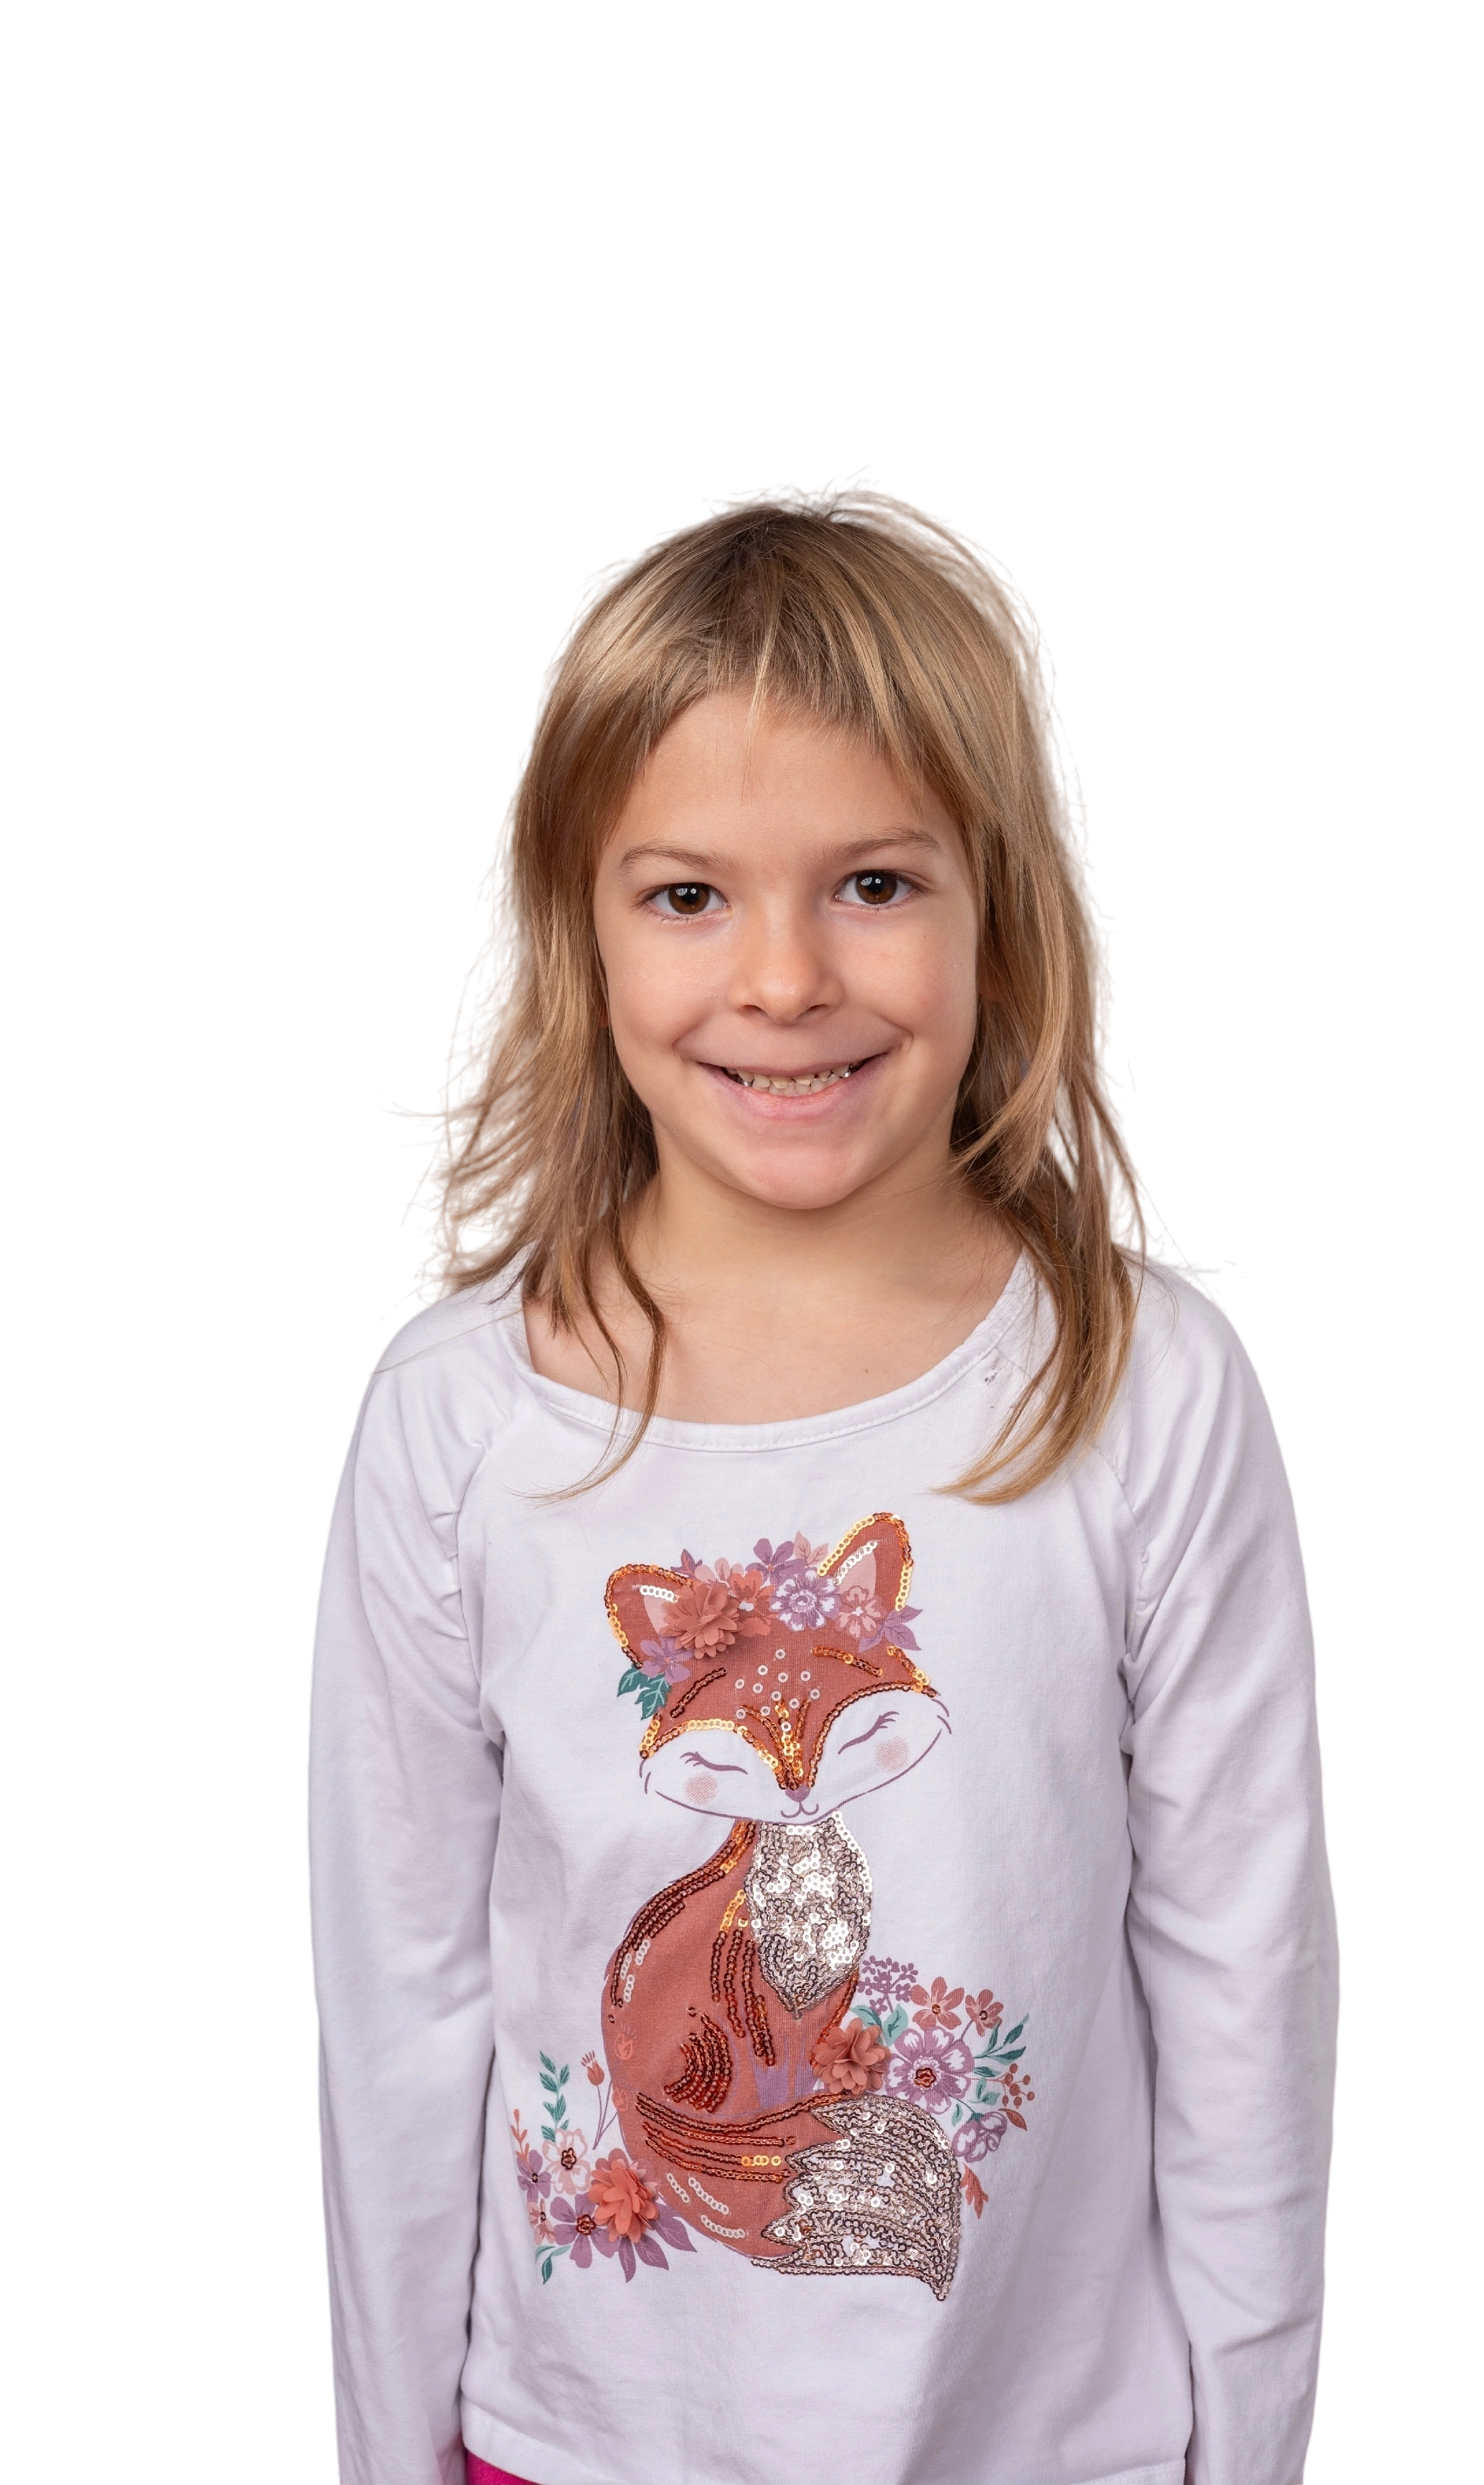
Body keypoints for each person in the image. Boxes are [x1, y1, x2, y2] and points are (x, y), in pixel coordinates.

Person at [307, 468, 1342, 2485]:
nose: (781, 980)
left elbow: (1243, 1971)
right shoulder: (458, 1418)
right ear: (580, 929)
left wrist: (1250, 2447)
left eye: (870, 883)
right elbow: (398, 1999)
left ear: (995, 906)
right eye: (686, 895)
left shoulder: (1144, 1385)